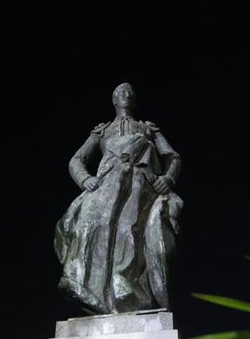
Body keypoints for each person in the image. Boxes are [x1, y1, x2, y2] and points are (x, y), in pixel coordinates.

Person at [54, 82, 182, 315]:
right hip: (107, 186)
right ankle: (82, 285)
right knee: (89, 224)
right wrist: (85, 180)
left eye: (130, 92)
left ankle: (126, 292)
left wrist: (168, 179)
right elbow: (76, 160)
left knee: (129, 230)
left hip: (139, 185)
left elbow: (173, 157)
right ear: (114, 100)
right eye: (121, 92)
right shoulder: (102, 131)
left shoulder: (147, 129)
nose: (126, 94)